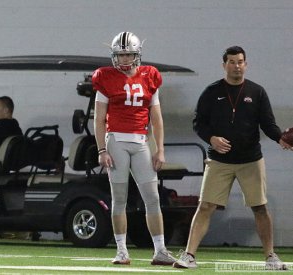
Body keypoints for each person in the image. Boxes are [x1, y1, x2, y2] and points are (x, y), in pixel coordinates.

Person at [173, 46, 290, 270]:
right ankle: (189, 256)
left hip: (250, 160)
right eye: (232, 62)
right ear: (224, 65)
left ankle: (270, 257)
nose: (237, 66)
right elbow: (198, 123)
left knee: (260, 208)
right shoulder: (211, 92)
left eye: (240, 62)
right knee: (205, 205)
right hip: (219, 161)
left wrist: (280, 139)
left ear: (246, 64)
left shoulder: (257, 92)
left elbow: (268, 124)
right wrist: (212, 138)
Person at [92, 31, 176, 266]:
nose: (125, 59)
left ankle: (160, 250)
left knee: (152, 197)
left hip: (140, 142)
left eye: (128, 54)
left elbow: (157, 118)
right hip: (116, 141)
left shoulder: (150, 76)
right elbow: (98, 119)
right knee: (119, 198)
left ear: (137, 54)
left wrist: (159, 149)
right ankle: (121, 251)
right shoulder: (105, 78)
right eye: (120, 55)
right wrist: (101, 150)